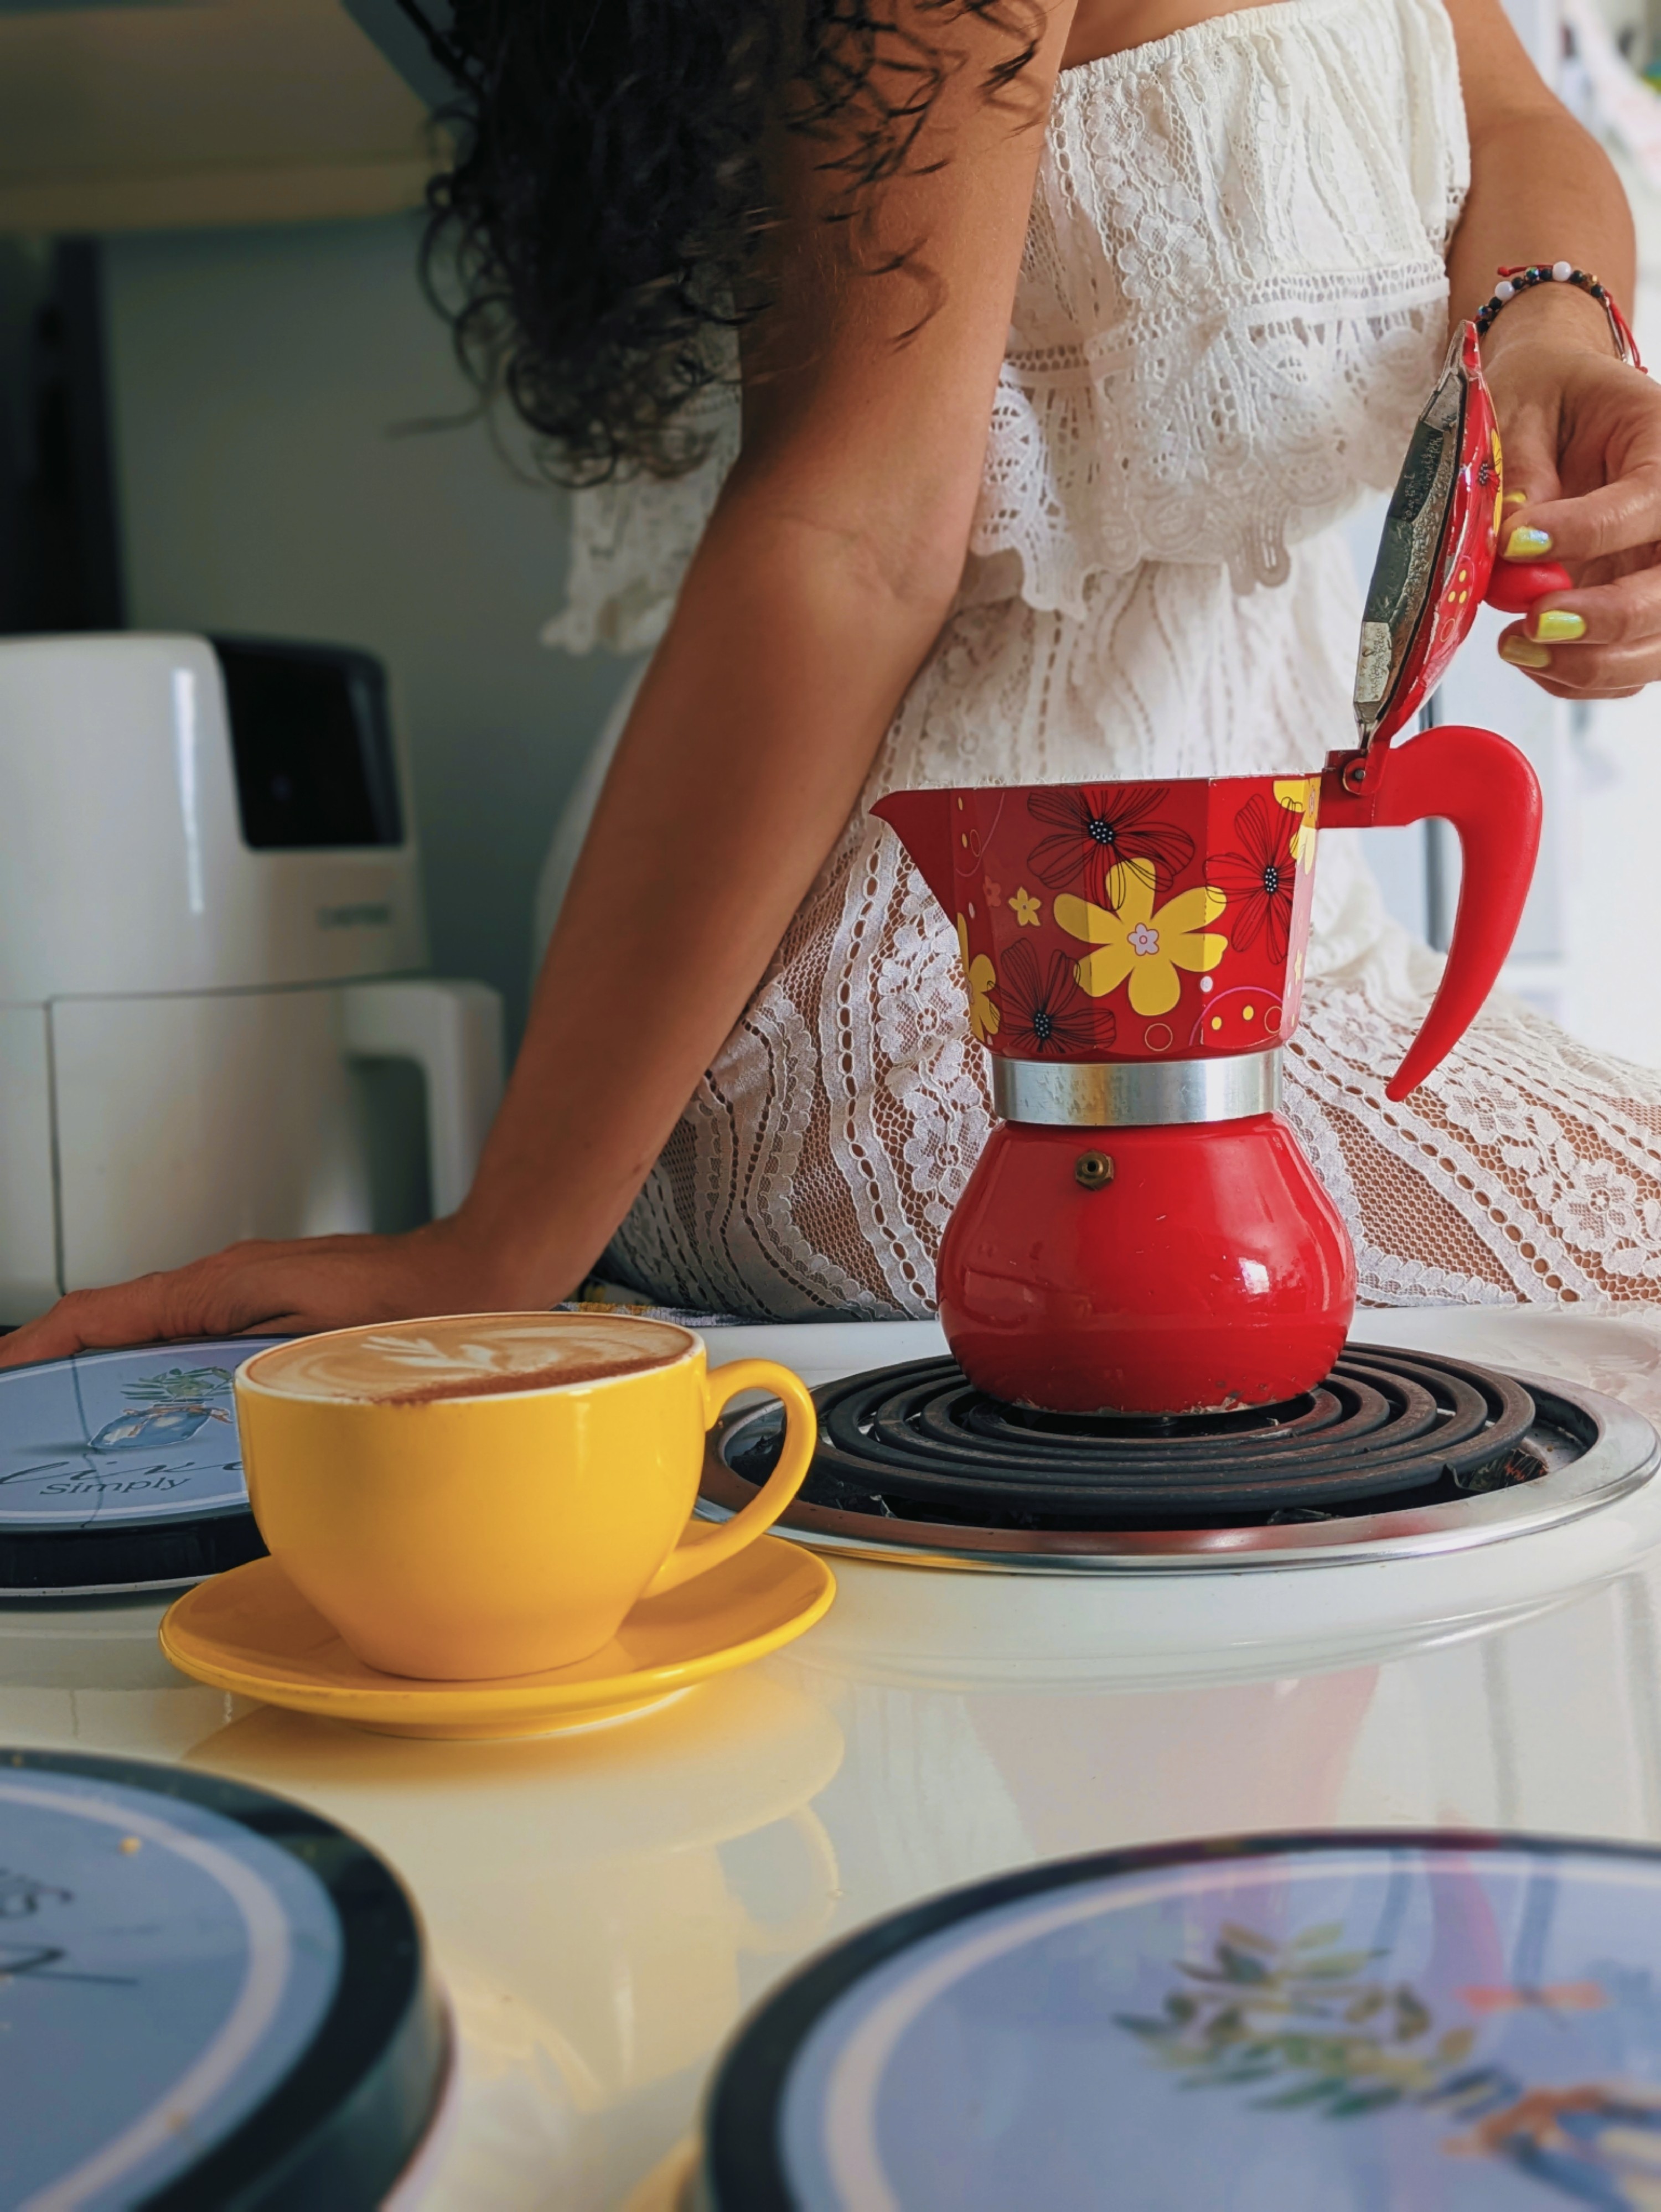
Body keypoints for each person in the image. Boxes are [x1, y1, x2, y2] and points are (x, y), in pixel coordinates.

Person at [10, 0, 1661, 1367]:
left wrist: (1548, 337)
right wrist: (496, 1249)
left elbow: (1508, 117)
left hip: (1227, 939)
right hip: (931, 998)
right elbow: (850, 540)